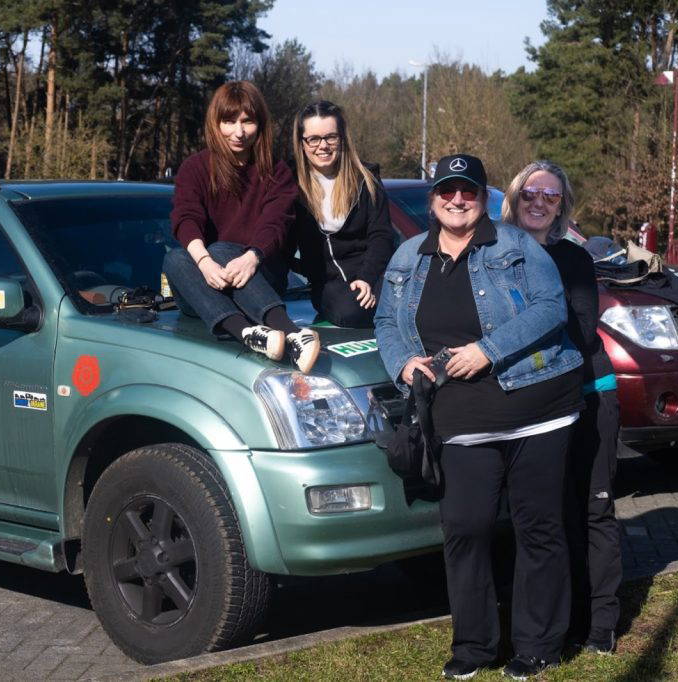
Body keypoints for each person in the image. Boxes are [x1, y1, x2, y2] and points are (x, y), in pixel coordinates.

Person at [374, 154, 584, 680]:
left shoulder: (515, 246)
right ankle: (473, 646)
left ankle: (538, 645)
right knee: (466, 528)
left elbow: (550, 307)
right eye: (447, 191)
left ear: (481, 197)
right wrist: (402, 364)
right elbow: (385, 320)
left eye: (468, 191)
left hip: (538, 407)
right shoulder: (408, 256)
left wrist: (488, 350)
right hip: (459, 417)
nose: (457, 200)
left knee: (538, 528)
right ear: (433, 200)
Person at [502, 160, 621, 655]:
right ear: (514, 197)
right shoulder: (494, 255)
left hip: (589, 393)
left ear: (561, 206)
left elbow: (580, 328)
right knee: (549, 514)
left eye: (550, 196)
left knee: (593, 509)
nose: (539, 202)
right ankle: (561, 618)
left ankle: (601, 623)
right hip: (530, 403)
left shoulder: (572, 259)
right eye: (530, 193)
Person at [164, 81, 320, 373]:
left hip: (261, 279)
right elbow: (186, 218)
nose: (238, 132)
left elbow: (276, 222)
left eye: (247, 121)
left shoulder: (277, 172)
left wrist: (252, 257)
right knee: (174, 258)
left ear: (260, 125)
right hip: (207, 287)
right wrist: (204, 263)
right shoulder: (195, 168)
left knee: (222, 249)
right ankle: (250, 334)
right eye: (229, 121)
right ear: (216, 123)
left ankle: (292, 333)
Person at [290, 101, 394, 326]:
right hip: (330, 287)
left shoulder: (366, 178)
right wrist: (304, 269)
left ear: (342, 138)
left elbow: (381, 235)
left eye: (331, 137)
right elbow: (280, 239)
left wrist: (367, 278)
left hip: (373, 276)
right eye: (313, 139)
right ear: (302, 143)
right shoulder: (290, 183)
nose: (323, 146)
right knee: (350, 312)